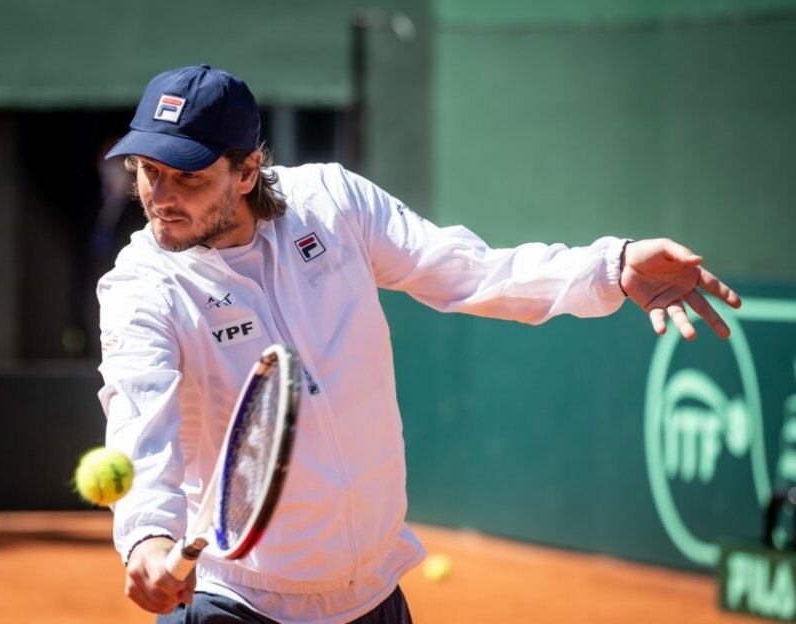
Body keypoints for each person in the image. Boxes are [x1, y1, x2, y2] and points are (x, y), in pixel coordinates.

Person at [97, 65, 741, 624]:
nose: (162, 198)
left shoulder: (331, 202)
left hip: (373, 592)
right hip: (236, 605)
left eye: (188, 177)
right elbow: (140, 423)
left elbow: (469, 271)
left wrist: (610, 267)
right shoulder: (141, 288)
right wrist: (147, 539)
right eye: (148, 173)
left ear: (246, 170)